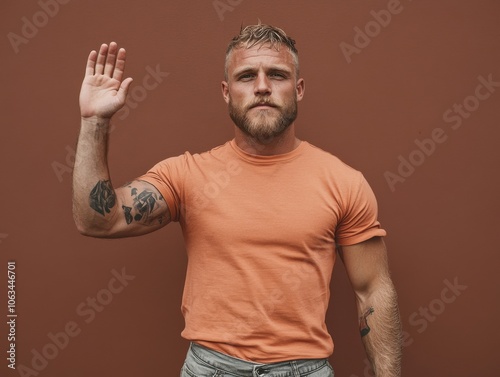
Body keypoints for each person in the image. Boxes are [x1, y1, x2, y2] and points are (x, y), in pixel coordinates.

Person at [73, 24, 402, 377]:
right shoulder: (187, 175)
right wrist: (94, 122)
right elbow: (97, 220)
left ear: (299, 89)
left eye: (277, 75)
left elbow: (373, 292)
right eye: (247, 76)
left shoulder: (344, 183)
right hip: (210, 368)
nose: (262, 87)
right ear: (227, 92)